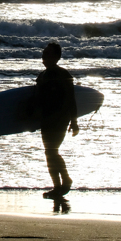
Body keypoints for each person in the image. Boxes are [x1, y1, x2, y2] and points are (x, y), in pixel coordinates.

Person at [33, 41, 79, 198]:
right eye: (43, 54)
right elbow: (36, 101)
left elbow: (71, 99)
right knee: (49, 153)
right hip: (46, 120)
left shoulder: (63, 75)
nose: (43, 56)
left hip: (60, 119)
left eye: (47, 54)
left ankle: (65, 181)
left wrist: (74, 122)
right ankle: (58, 187)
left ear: (56, 57)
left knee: (51, 152)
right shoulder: (42, 76)